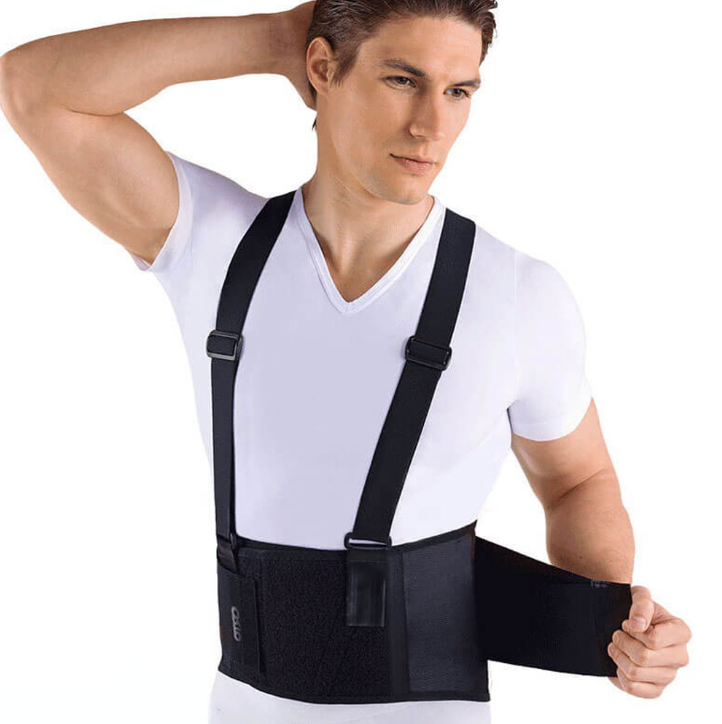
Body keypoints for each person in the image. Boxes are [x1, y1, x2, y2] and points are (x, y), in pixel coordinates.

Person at [0, 2, 691, 723]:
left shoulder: (518, 295)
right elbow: (31, 86)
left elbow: (578, 479)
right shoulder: (213, 243)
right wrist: (276, 39)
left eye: (458, 91)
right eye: (403, 80)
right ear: (323, 68)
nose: (432, 126)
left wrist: (610, 627)